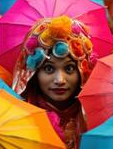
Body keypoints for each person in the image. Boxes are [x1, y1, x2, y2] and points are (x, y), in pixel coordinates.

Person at [12, 16, 97, 149]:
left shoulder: (98, 119)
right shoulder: (15, 120)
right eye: (49, 68)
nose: (60, 80)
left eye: (69, 68)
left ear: (83, 71)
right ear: (34, 73)